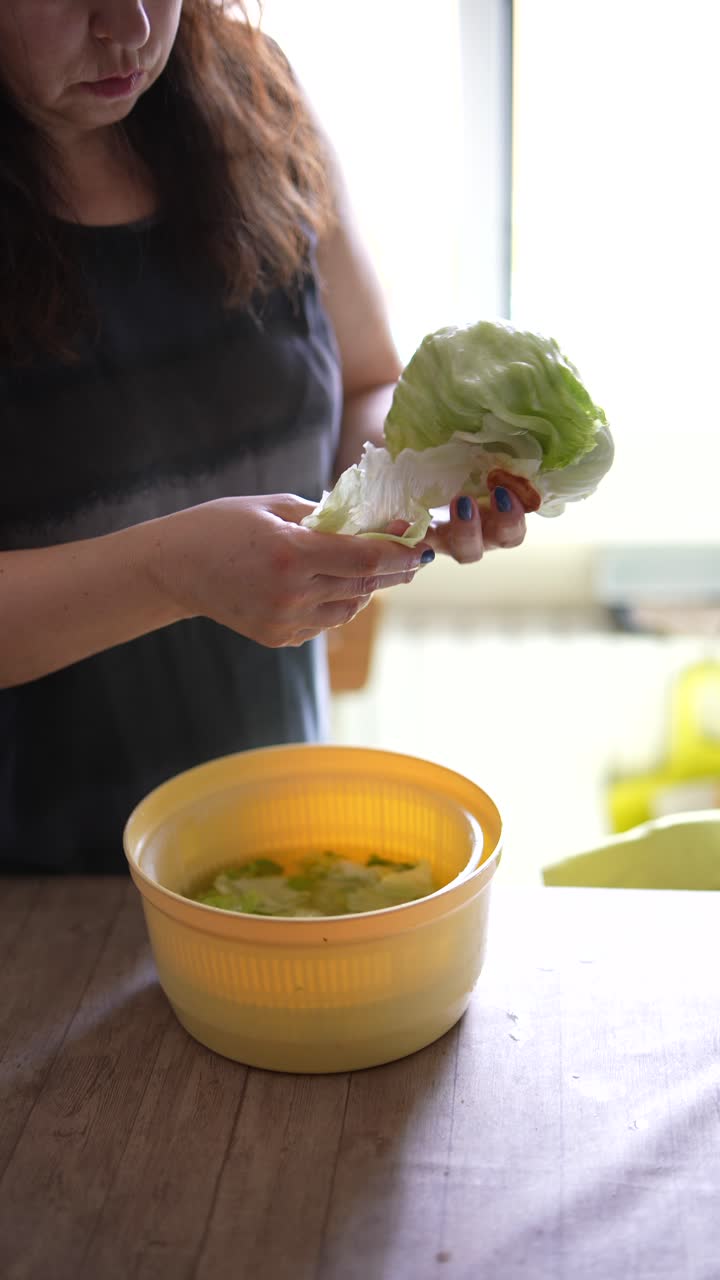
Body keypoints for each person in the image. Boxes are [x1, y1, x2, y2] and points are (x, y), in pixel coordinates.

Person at [0, 0, 527, 874]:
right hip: (30, 901)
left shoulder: (251, 94)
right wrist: (167, 571)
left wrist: (425, 474)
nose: (129, 26)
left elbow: (367, 382)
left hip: (269, 841)